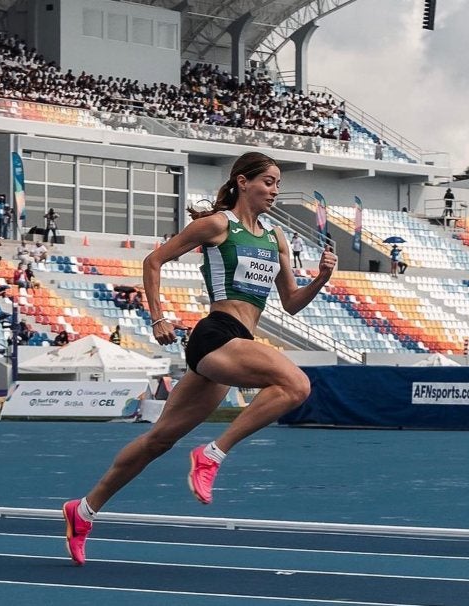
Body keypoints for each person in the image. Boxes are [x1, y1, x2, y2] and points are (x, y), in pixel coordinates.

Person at [62, 151, 337, 566]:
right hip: (214, 334)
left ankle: (83, 510)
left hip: (238, 342)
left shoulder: (275, 238)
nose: (275, 191)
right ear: (243, 182)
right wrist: (158, 317)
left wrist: (320, 278)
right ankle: (212, 454)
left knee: (159, 440)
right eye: (269, 182)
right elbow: (153, 260)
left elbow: (292, 303)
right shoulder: (216, 225)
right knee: (296, 385)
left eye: (279, 183)